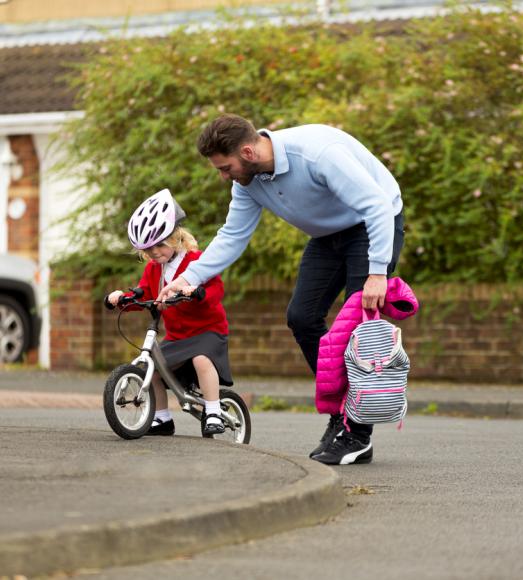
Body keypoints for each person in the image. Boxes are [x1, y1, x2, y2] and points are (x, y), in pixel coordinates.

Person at [157, 115, 404, 464]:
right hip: (327, 237)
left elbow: (377, 205)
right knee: (302, 318)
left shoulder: (319, 154)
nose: (224, 176)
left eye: (225, 167)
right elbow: (233, 236)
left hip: (372, 225)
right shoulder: (247, 182)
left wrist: (377, 271)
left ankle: (357, 433)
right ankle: (343, 413)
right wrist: (189, 278)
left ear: (248, 151)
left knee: (357, 329)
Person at [107, 188, 232, 436]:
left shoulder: (197, 261)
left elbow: (216, 289)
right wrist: (122, 298)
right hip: (177, 336)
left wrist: (198, 292)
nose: (154, 253)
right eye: (148, 249)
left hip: (207, 331)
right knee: (151, 365)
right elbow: (143, 293)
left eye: (159, 245)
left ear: (175, 237)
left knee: (201, 359)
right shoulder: (155, 269)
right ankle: (162, 418)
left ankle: (214, 409)